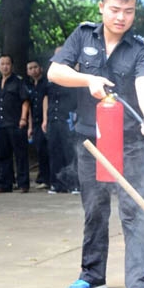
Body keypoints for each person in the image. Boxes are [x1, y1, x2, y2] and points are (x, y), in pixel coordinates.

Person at [47, 0, 144, 288]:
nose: (121, 17)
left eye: (129, 11)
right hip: (91, 141)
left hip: (130, 143)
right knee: (94, 210)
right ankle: (92, 275)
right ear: (101, 7)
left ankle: (140, 286)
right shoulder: (82, 35)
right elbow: (55, 71)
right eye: (115, 9)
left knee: (134, 212)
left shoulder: (141, 47)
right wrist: (88, 78)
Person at [0, 55, 31, 193]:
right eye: (2, 64)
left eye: (7, 63)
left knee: (20, 155)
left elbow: (25, 101)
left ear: (11, 66)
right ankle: (6, 184)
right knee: (3, 155)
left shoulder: (18, 82)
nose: (5, 66)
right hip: (1, 124)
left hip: (15, 123)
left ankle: (23, 184)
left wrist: (23, 118)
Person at [43, 47, 79, 194]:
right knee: (54, 151)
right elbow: (46, 97)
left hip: (68, 118)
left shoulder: (73, 74)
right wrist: (45, 118)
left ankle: (74, 185)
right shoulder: (50, 75)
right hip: (53, 118)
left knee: (70, 151)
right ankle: (56, 184)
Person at [27, 60, 50, 189]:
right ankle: (42, 177)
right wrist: (30, 126)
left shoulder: (46, 84)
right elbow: (28, 106)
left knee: (47, 150)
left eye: (35, 67)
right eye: (30, 68)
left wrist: (45, 120)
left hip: (46, 121)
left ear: (40, 68)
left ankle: (48, 178)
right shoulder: (29, 86)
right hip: (35, 123)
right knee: (39, 150)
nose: (33, 70)